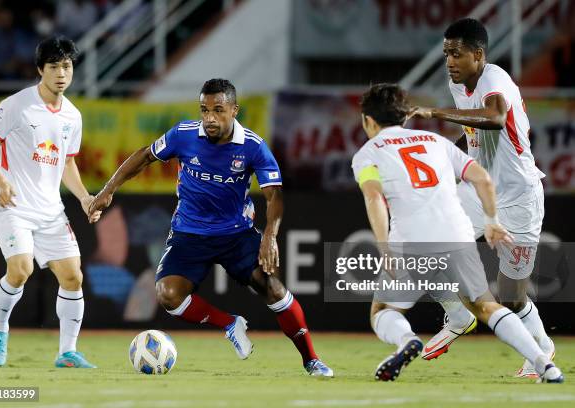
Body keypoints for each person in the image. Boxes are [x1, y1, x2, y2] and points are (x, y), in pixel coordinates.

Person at [88, 78, 333, 377]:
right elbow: (144, 155)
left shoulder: (254, 147)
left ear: (234, 110)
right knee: (168, 295)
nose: (210, 118)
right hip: (189, 233)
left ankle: (312, 359)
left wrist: (270, 236)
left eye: (218, 110)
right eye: (204, 110)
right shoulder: (184, 134)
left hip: (236, 234)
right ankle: (230, 324)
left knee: (272, 287)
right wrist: (108, 190)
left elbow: (274, 195)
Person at [352, 83, 563, 383]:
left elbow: (374, 197)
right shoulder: (435, 141)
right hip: (457, 233)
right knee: (487, 305)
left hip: (411, 240)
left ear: (368, 121)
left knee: (382, 311)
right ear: (405, 117)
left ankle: (406, 341)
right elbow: (482, 179)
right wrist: (491, 221)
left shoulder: (366, 154)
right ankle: (544, 363)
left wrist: (384, 247)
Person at [410, 18, 554, 378]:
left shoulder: (494, 79)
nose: (449, 62)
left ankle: (542, 349)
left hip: (520, 196)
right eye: (445, 54)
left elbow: (493, 117)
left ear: (478, 54)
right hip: (479, 189)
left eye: (456, 54)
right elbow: (473, 135)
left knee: (512, 298)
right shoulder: (458, 83)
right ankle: (459, 315)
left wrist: (435, 113)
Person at [0, 35, 101, 368]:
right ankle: (0, 330)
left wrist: (85, 196)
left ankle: (67, 353)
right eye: (54, 67)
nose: (62, 73)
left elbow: (68, 163)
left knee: (73, 277)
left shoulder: (72, 116)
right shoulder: (16, 105)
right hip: (13, 204)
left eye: (67, 66)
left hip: (51, 211)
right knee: (21, 269)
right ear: (39, 70)